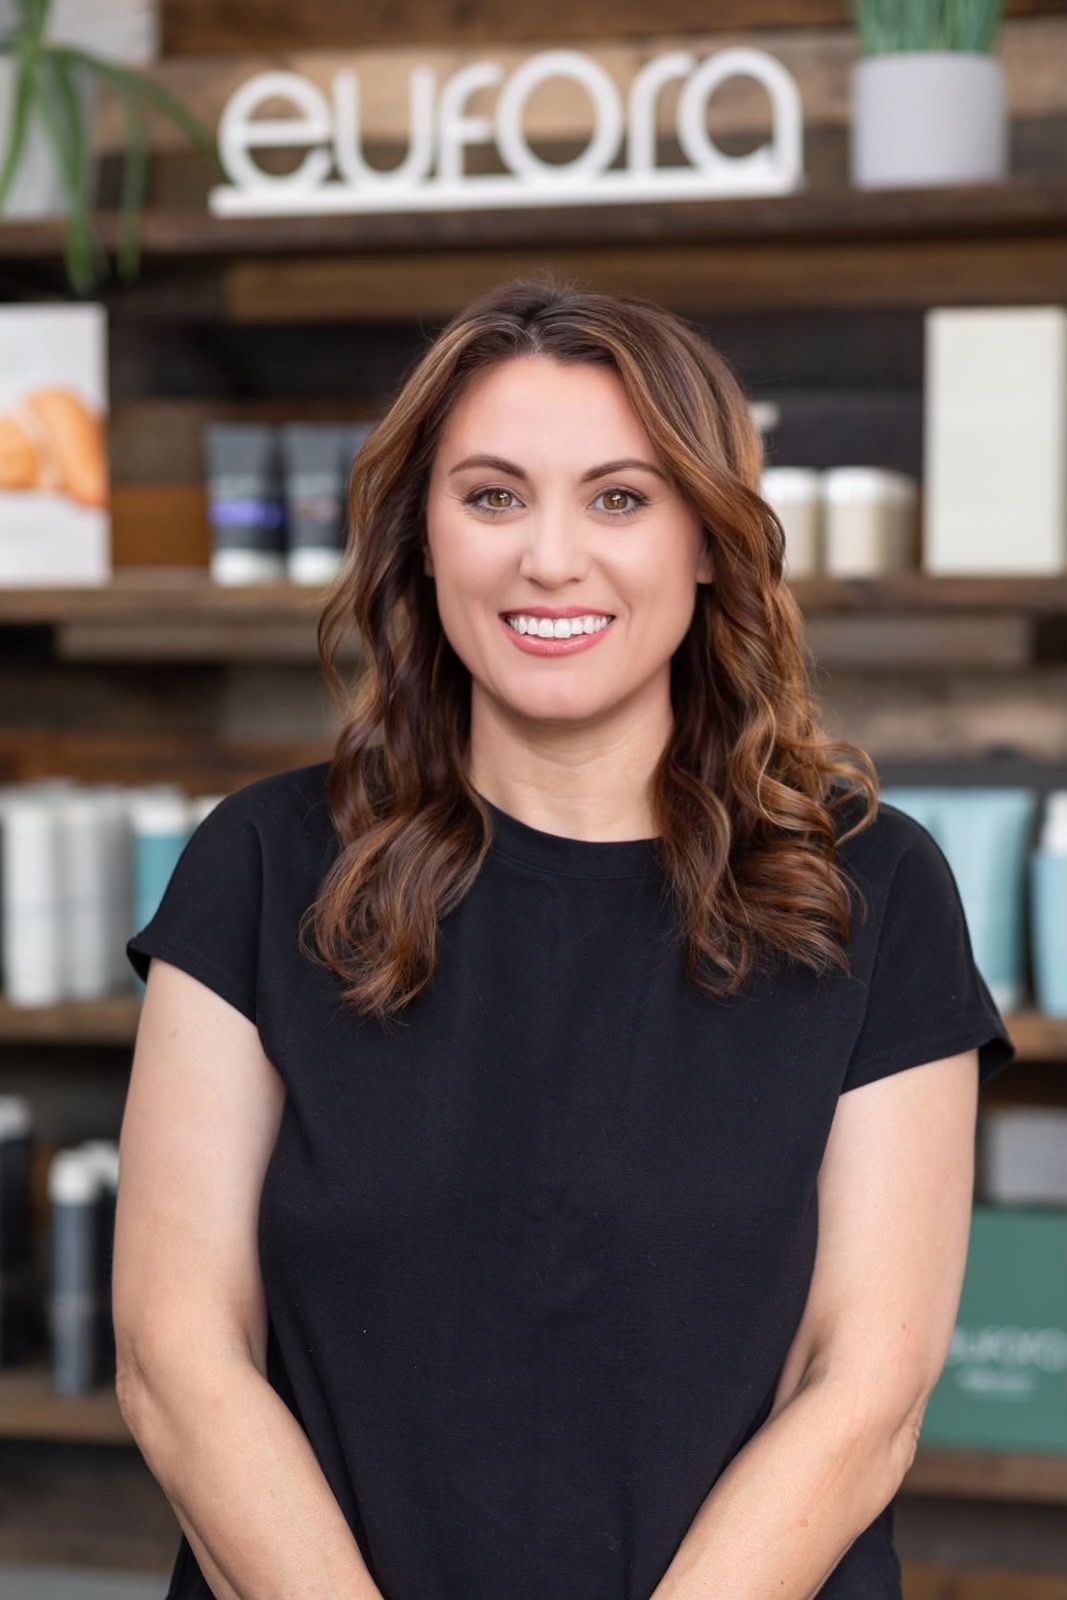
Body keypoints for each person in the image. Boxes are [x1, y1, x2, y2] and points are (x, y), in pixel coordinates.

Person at [115, 276, 1015, 1600]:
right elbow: (177, 1354)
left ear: (708, 541)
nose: (549, 558)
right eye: (491, 496)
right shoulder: (259, 868)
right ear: (421, 536)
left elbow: (863, 1390)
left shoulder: (872, 889)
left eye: (620, 497)